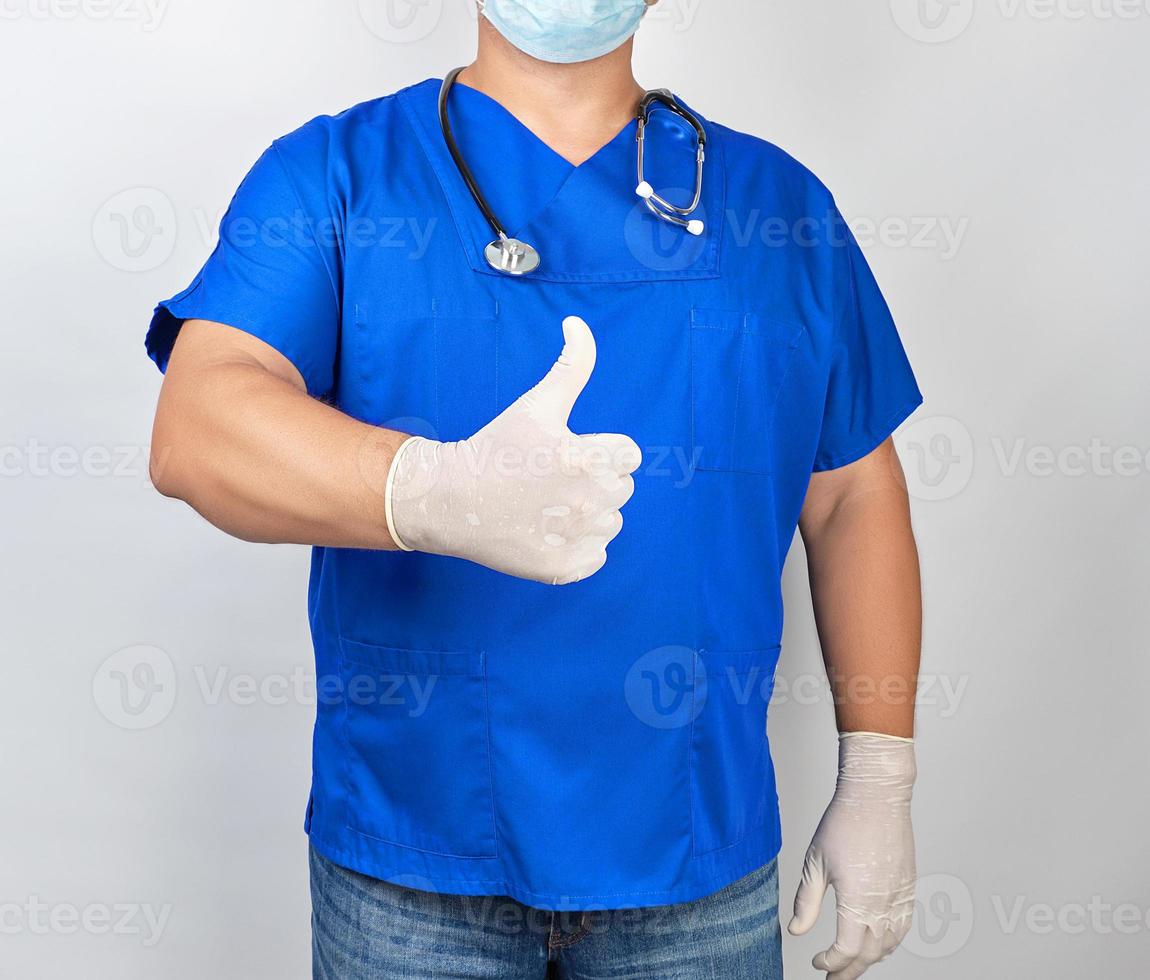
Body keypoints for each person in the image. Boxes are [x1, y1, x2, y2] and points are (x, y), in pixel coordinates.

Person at [145, 1, 924, 977]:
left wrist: (879, 774)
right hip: (409, 860)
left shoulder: (779, 209)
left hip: (691, 858)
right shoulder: (335, 178)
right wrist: (435, 488)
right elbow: (197, 427)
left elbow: (851, 494)